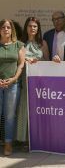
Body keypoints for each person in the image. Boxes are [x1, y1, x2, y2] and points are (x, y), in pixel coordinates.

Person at [16, 17, 49, 146]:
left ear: (38, 28)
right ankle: (23, 139)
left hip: (39, 81)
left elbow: (48, 61)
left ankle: (37, 138)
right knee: (24, 107)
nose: (32, 28)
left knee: (38, 109)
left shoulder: (43, 43)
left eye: (35, 26)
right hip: (24, 80)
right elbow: (19, 61)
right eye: (30, 26)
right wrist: (26, 61)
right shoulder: (20, 43)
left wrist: (38, 62)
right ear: (26, 28)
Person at [0, 19, 25, 156]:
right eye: (3, 27)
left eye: (8, 27)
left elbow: (21, 64)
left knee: (9, 116)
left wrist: (14, 78)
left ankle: (8, 143)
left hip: (13, 85)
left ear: (12, 30)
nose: (6, 29)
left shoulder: (18, 45)